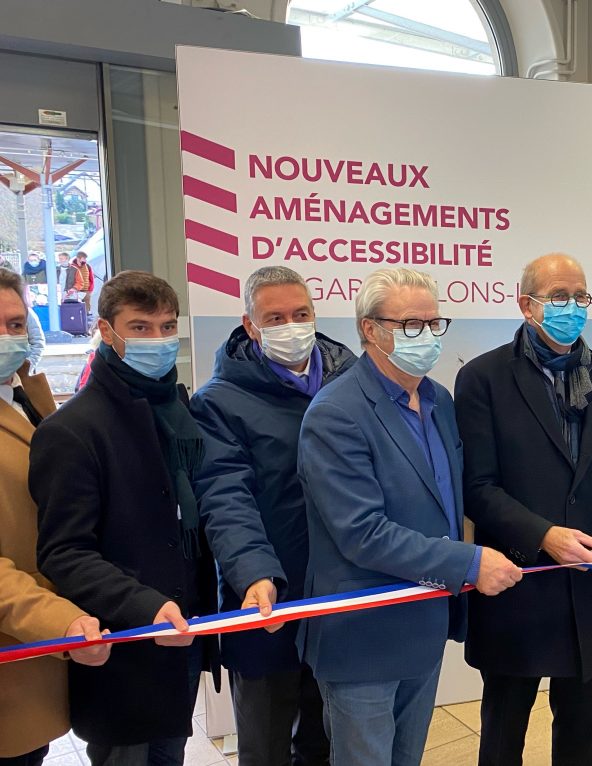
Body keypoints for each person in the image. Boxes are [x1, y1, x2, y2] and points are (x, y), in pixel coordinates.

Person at [297, 267, 522, 766]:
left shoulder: (439, 401)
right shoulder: (336, 413)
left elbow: (449, 501)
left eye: (433, 323)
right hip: (362, 637)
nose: (426, 337)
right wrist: (469, 562)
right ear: (369, 329)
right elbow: (362, 533)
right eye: (409, 325)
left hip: (423, 624)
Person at [454, 253, 592, 766]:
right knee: (503, 736)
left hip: (589, 588)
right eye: (559, 297)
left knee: (580, 736)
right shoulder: (483, 378)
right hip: (517, 586)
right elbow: (478, 486)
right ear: (526, 305)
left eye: (580, 297)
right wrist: (544, 534)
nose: (573, 308)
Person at [31, 270, 217, 766]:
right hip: (123, 649)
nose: (157, 340)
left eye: (166, 326)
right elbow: (64, 552)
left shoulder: (178, 411)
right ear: (106, 331)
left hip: (183, 635)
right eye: (139, 327)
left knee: (169, 754)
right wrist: (144, 606)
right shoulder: (71, 431)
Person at [191, 266, 355, 766]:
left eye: (301, 314)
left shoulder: (353, 386)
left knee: (328, 742)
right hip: (268, 602)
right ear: (249, 325)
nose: (292, 326)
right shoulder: (218, 403)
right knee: (264, 744)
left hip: (342, 594)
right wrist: (254, 574)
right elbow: (225, 495)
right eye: (275, 317)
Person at [0, 268, 110, 766]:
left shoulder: (25, 396)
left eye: (16, 323)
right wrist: (61, 621)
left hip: (38, 663)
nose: (8, 337)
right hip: (21, 647)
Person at [69, 251, 95, 316]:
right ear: (79, 258)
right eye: (84, 258)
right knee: (76, 307)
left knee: (87, 308)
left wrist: (90, 289)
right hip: (76, 290)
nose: (85, 260)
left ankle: (87, 318)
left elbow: (91, 278)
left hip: (86, 290)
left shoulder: (87, 266)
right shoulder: (71, 267)